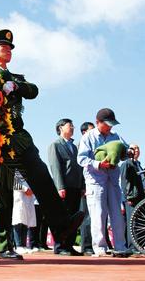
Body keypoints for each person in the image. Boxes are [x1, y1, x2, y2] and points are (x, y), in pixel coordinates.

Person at [0, 29, 84, 260]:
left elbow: (33, 90)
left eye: (10, 48)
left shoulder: (16, 77)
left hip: (19, 137)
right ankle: (3, 246)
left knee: (41, 176)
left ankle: (62, 226)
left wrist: (15, 86)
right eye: (4, 47)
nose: (8, 50)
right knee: (2, 193)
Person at [77, 108, 130, 257]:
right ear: (97, 122)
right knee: (98, 214)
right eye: (107, 124)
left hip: (113, 180)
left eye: (112, 124)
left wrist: (128, 152)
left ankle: (120, 247)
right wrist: (99, 164)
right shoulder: (88, 137)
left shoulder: (116, 136)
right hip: (95, 181)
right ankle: (100, 248)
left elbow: (125, 153)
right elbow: (81, 159)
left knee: (117, 215)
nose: (110, 127)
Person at [48, 118, 84, 256]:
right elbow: (55, 167)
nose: (73, 128)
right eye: (70, 125)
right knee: (63, 217)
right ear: (61, 128)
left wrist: (82, 186)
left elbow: (79, 168)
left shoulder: (74, 147)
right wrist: (60, 186)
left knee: (74, 217)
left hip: (75, 187)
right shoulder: (55, 145)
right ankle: (60, 246)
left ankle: (69, 245)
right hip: (65, 187)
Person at [119, 144, 145, 254]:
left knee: (139, 223)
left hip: (141, 197)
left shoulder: (138, 164)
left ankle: (140, 246)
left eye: (137, 148)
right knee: (131, 222)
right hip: (132, 197)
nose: (136, 150)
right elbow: (124, 181)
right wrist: (127, 197)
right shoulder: (126, 164)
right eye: (133, 148)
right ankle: (132, 247)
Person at [79, 121, 95, 255]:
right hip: (85, 187)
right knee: (87, 217)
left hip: (95, 184)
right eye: (91, 130)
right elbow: (79, 169)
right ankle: (87, 246)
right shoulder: (82, 146)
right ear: (84, 132)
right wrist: (82, 187)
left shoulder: (94, 145)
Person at [12, 170, 36, 255]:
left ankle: (24, 245)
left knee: (25, 223)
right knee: (18, 222)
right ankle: (18, 246)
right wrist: (26, 189)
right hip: (20, 199)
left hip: (28, 200)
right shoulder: (16, 171)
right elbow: (16, 183)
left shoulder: (28, 170)